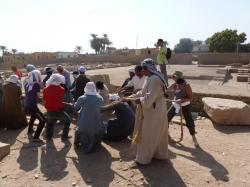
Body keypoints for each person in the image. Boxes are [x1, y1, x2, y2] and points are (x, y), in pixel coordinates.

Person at [123, 58, 168, 165]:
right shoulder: (149, 78)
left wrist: (138, 100)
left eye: (143, 68)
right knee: (153, 133)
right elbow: (142, 93)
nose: (142, 71)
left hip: (154, 110)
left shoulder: (154, 79)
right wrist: (129, 98)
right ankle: (156, 154)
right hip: (153, 109)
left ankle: (143, 159)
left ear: (147, 68)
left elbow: (148, 99)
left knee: (149, 133)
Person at [167, 71, 198, 146]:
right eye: (173, 77)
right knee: (166, 117)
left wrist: (182, 100)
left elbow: (190, 98)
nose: (173, 78)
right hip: (176, 104)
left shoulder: (186, 85)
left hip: (185, 104)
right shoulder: (174, 85)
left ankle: (193, 136)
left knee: (189, 120)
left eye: (175, 77)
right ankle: (167, 135)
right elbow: (167, 89)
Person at [74, 82, 105, 153]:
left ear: (86, 88)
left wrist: (73, 104)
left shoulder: (82, 98)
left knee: (78, 130)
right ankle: (95, 143)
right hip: (97, 123)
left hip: (84, 124)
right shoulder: (100, 98)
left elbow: (75, 108)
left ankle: (76, 143)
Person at [43, 74, 71, 141]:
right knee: (68, 120)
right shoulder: (61, 89)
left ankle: (49, 138)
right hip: (59, 110)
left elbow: (44, 99)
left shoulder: (45, 89)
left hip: (49, 110)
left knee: (50, 124)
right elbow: (62, 99)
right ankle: (64, 136)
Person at [24, 70, 46, 142]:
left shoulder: (26, 83)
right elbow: (39, 96)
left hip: (27, 104)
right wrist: (43, 89)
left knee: (33, 116)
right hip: (32, 105)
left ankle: (30, 130)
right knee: (43, 120)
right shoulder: (36, 85)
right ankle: (36, 137)